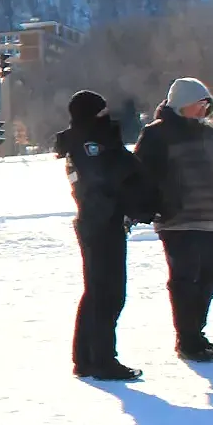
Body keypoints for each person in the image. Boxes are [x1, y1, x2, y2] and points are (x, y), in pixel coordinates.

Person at [133, 77, 213, 361]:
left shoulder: (211, 135)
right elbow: (139, 175)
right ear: (181, 104)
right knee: (186, 279)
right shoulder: (157, 134)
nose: (203, 110)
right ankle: (187, 339)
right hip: (179, 219)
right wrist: (150, 206)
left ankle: (196, 332)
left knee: (211, 277)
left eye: (206, 105)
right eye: (198, 104)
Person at [54, 90, 159, 381]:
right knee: (108, 294)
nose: (106, 116)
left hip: (98, 221)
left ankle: (86, 358)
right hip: (101, 222)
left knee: (97, 292)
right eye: (101, 112)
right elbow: (109, 177)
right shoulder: (90, 145)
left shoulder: (85, 142)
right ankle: (101, 359)